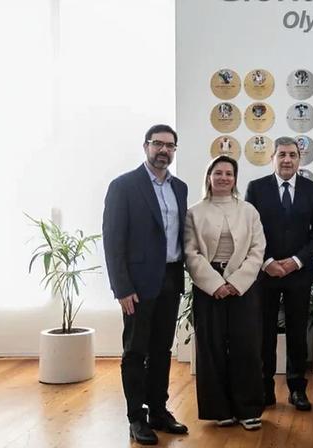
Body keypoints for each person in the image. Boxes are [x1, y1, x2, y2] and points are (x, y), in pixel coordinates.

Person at [102, 124, 189, 445]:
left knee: (162, 350)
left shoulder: (179, 187)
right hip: (137, 284)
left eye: (170, 146)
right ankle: (135, 418)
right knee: (135, 351)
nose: (163, 150)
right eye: (158, 144)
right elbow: (113, 240)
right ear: (146, 146)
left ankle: (158, 411)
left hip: (170, 278)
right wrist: (121, 288)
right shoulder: (124, 186)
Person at [244, 137, 313, 412]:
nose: (287, 159)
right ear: (272, 158)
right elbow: (250, 230)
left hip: (298, 274)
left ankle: (296, 389)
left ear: (299, 159)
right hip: (265, 274)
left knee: (297, 334)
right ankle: (264, 388)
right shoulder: (256, 189)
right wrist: (267, 262)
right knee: (264, 333)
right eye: (282, 155)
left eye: (292, 155)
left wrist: (295, 261)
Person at [184, 155, 266, 431]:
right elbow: (190, 252)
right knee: (211, 347)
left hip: (243, 287)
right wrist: (215, 283)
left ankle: (248, 409)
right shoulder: (194, 212)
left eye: (228, 174)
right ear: (208, 177)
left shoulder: (248, 211)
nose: (223, 178)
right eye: (217, 173)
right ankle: (218, 408)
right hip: (209, 288)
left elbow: (257, 250)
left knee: (247, 347)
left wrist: (236, 282)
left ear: (235, 178)